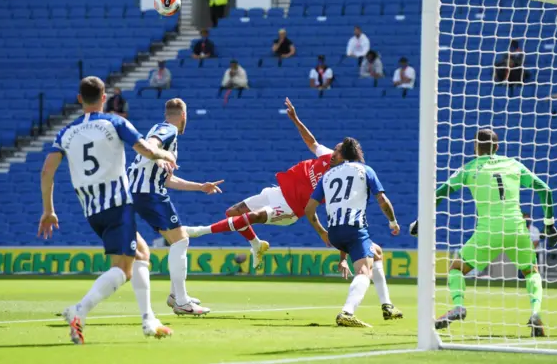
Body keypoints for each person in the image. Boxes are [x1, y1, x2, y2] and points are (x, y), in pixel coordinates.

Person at [183, 99, 404, 322]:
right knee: (233, 212)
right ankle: (256, 244)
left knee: (254, 217)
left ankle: (199, 231)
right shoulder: (329, 162)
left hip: (290, 208)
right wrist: (296, 119)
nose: (333, 152)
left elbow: (327, 209)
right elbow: (312, 142)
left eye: (337, 150)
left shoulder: (335, 177)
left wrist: (327, 237)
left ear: (344, 157)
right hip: (278, 192)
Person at [38, 76, 177, 344]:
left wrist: (48, 210)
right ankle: (79, 311)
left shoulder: (66, 133)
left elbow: (47, 171)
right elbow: (145, 149)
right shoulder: (115, 122)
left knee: (141, 254)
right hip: (117, 204)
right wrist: (165, 155)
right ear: (104, 98)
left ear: (80, 99)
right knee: (123, 269)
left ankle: (149, 319)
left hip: (92, 210)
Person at [409, 129, 557, 337]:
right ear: (497, 147)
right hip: (517, 228)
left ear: (475, 147)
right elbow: (545, 189)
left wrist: (422, 219)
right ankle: (535, 313)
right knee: (531, 272)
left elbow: (441, 192)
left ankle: (459, 306)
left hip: (488, 230)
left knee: (456, 268)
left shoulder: (469, 168)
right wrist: (549, 224)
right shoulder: (514, 164)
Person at [127, 99, 222, 316]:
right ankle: (180, 301)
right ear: (183, 116)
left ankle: (176, 295)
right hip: (147, 192)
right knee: (180, 240)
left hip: (143, 191)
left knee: (177, 240)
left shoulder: (168, 135)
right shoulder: (167, 129)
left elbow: (168, 180)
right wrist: (157, 156)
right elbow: (150, 145)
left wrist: (201, 187)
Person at [304, 137, 400, 327]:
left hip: (334, 232)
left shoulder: (327, 176)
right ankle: (347, 312)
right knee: (364, 271)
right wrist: (393, 222)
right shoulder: (365, 170)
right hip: (354, 229)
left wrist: (322, 232)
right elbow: (383, 201)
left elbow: (309, 209)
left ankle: (387, 305)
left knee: (377, 252)